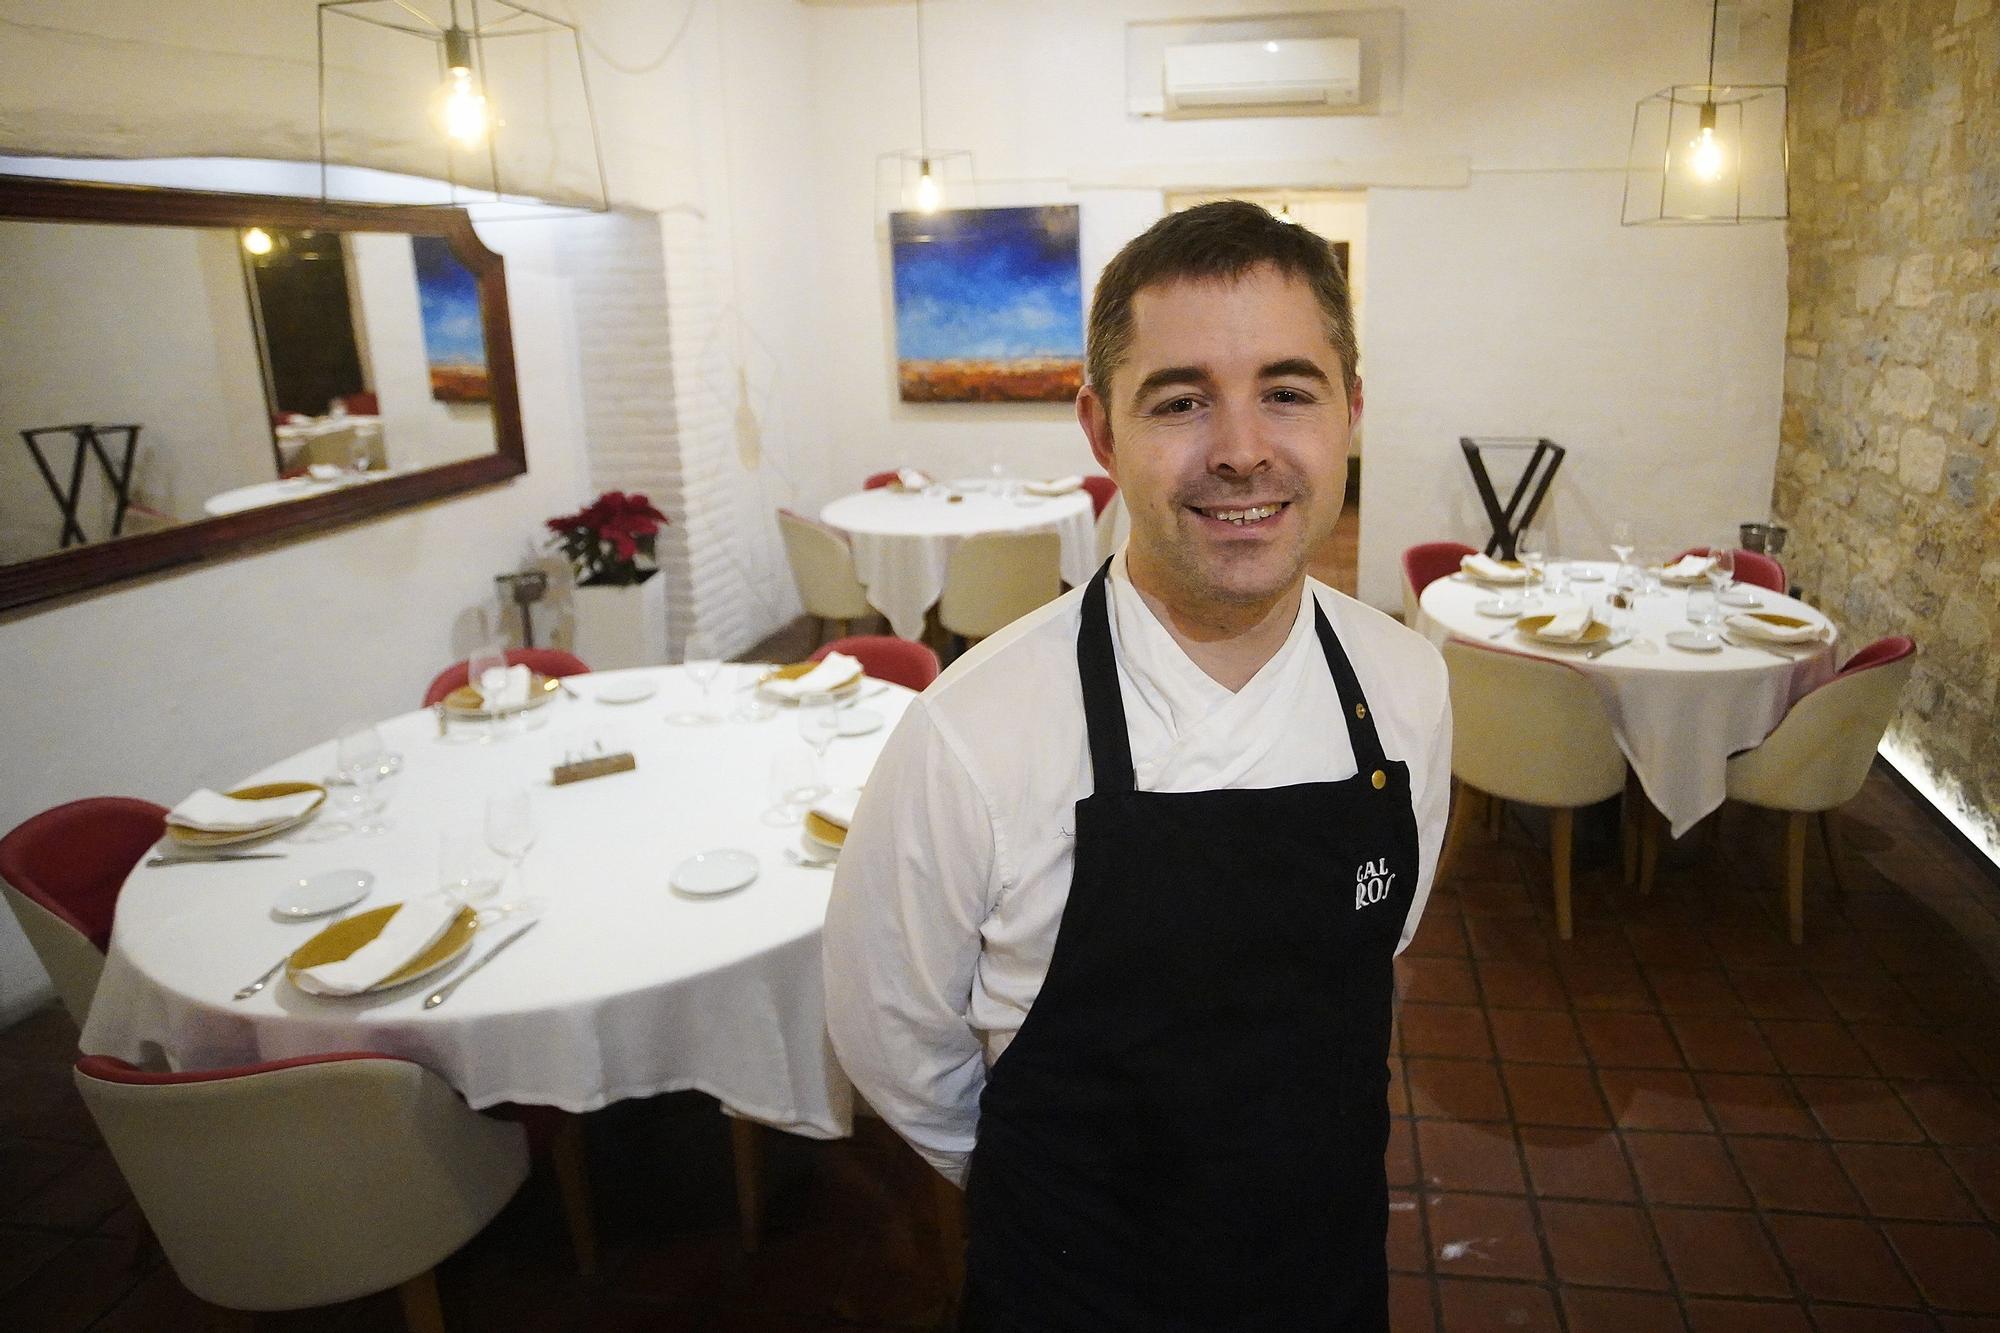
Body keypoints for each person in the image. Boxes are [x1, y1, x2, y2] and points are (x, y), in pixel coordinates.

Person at [823, 200, 1450, 1330]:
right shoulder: (971, 734)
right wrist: (1056, 1194)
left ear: (1349, 414)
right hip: (1073, 1288)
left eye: (1288, 390)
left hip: (1325, 1271)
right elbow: (892, 1040)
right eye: (1180, 400)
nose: (1242, 448)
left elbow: (1379, 947)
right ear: (1101, 431)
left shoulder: (1407, 689)